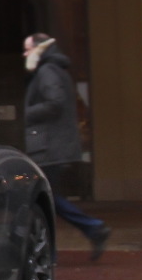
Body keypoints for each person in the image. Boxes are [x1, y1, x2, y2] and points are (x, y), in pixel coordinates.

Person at [22, 33, 111, 261]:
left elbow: (55, 102)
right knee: (50, 196)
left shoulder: (47, 71)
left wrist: (28, 114)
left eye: (27, 49)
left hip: (50, 145)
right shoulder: (54, 69)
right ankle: (90, 230)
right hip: (54, 143)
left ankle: (90, 229)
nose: (25, 54)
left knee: (46, 197)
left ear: (39, 49)